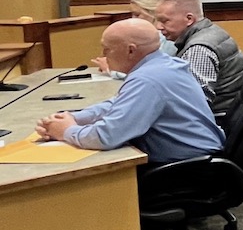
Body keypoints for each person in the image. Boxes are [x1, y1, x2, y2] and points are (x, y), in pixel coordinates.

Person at [37, 19, 224, 166]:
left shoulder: (148, 79)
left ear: (130, 51)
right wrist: (75, 117)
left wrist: (67, 131)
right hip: (194, 156)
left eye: (107, 48)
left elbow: (107, 136)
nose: (103, 54)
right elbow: (119, 104)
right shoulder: (164, 64)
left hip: (185, 168)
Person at [156, 0, 243, 114]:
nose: (158, 27)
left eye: (165, 21)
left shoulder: (198, 50)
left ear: (189, 19)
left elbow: (195, 104)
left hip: (214, 120)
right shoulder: (210, 30)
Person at [93, 0, 177, 77]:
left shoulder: (166, 38)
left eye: (137, 15)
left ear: (154, 13)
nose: (133, 19)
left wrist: (111, 71)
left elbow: (152, 77)